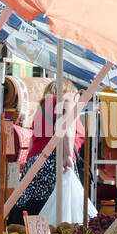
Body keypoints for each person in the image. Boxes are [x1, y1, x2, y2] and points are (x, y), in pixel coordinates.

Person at [19, 88, 86, 217]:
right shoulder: (68, 98)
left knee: (34, 213)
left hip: (36, 162)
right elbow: (66, 125)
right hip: (55, 161)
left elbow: (32, 142)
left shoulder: (42, 109)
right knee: (58, 214)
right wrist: (67, 156)